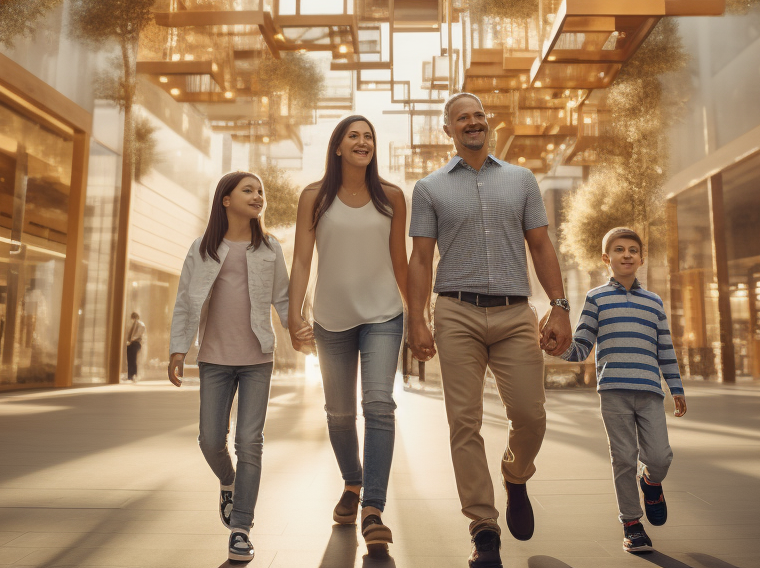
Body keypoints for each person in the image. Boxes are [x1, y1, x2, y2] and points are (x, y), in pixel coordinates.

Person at [406, 92, 574, 568]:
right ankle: (483, 527)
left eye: (479, 115)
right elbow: (421, 258)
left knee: (531, 414)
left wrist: (559, 307)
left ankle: (516, 474)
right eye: (462, 118)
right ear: (449, 131)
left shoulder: (521, 179)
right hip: (455, 311)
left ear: (488, 124)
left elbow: (540, 246)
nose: (473, 123)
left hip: (514, 312)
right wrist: (416, 318)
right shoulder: (430, 188)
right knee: (464, 422)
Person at [287, 115, 409, 553]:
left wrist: (419, 317)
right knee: (339, 414)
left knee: (378, 404)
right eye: (353, 136)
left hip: (383, 316)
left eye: (369, 136)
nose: (363, 142)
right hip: (330, 319)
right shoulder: (314, 197)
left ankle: (373, 508)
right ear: (337, 147)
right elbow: (302, 260)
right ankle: (353, 483)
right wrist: (292, 312)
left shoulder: (392, 197)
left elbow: (401, 263)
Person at [167, 171, 292, 564]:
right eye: (248, 190)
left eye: (260, 192)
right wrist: (177, 351)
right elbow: (186, 302)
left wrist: (303, 333)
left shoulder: (270, 248)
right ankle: (228, 480)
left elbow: (285, 299)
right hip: (215, 360)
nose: (257, 197)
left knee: (249, 442)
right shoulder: (202, 248)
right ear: (226, 199)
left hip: (258, 358)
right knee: (209, 439)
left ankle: (241, 528)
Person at [560, 227, 687, 554]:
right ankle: (632, 524)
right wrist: (557, 349)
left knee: (659, 456)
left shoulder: (654, 302)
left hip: (649, 392)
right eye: (619, 249)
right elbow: (582, 345)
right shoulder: (596, 298)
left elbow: (665, 349)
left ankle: (651, 482)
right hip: (613, 392)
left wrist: (676, 387)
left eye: (633, 250)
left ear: (641, 258)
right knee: (623, 458)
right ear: (607, 258)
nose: (627, 254)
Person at [125, 311, 145, 382]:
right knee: (129, 359)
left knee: (134, 359)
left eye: (134, 318)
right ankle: (129, 375)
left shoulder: (140, 324)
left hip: (136, 343)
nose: (133, 319)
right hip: (130, 343)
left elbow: (138, 334)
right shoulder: (131, 325)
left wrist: (131, 339)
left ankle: (134, 374)